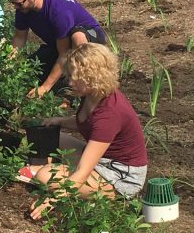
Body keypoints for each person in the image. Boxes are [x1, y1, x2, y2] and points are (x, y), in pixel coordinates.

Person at [21, 44, 148, 220]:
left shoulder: (109, 114)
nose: (70, 82)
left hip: (120, 175)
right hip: (103, 159)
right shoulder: (94, 94)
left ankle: (115, 198)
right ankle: (56, 170)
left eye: (75, 77)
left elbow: (83, 170)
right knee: (47, 136)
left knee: (46, 176)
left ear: (93, 77)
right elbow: (88, 123)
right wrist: (60, 121)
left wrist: (51, 200)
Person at [8, 0, 105, 97]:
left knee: (78, 37)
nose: (16, 7)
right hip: (61, 45)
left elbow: (64, 54)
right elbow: (19, 38)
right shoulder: (24, 8)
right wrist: (6, 63)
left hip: (92, 41)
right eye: (13, 3)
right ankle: (65, 74)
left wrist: (45, 88)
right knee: (30, 72)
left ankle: (80, 88)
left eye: (19, 3)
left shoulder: (57, 10)